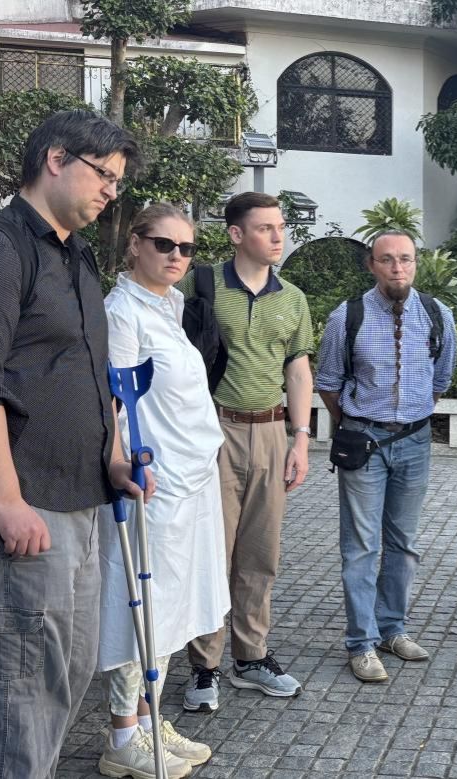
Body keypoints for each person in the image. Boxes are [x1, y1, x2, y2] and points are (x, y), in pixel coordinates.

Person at [0, 109, 152, 777]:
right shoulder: (3, 250)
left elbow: (90, 371)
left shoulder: (79, 255)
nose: (112, 191)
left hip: (85, 499)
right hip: (31, 507)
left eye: (118, 180)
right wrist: (6, 499)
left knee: (70, 670)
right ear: (56, 159)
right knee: (23, 687)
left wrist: (113, 457)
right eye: (103, 174)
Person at [97, 204, 229, 777]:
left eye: (187, 248)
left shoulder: (172, 305)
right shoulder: (122, 311)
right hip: (154, 483)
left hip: (193, 480)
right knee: (141, 604)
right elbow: (114, 399)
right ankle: (122, 735)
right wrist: (124, 461)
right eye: (164, 244)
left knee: (172, 608)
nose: (177, 256)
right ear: (135, 244)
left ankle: (151, 721)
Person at [180, 192, 314, 712]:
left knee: (261, 553)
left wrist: (300, 438)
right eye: (265, 228)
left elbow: (297, 370)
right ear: (236, 234)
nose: (278, 237)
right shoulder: (202, 285)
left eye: (280, 227)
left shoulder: (293, 298)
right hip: (214, 428)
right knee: (212, 550)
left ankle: (251, 657)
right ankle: (204, 665)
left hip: (272, 430)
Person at [316, 230, 457, 683]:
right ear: (371, 265)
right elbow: (329, 381)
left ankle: (392, 629)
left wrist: (410, 417)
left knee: (404, 544)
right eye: (387, 259)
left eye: (406, 259)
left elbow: (441, 379)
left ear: (416, 263)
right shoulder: (347, 316)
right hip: (363, 441)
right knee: (361, 547)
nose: (398, 268)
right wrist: (354, 424)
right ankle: (361, 642)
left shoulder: (437, 314)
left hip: (415, 442)